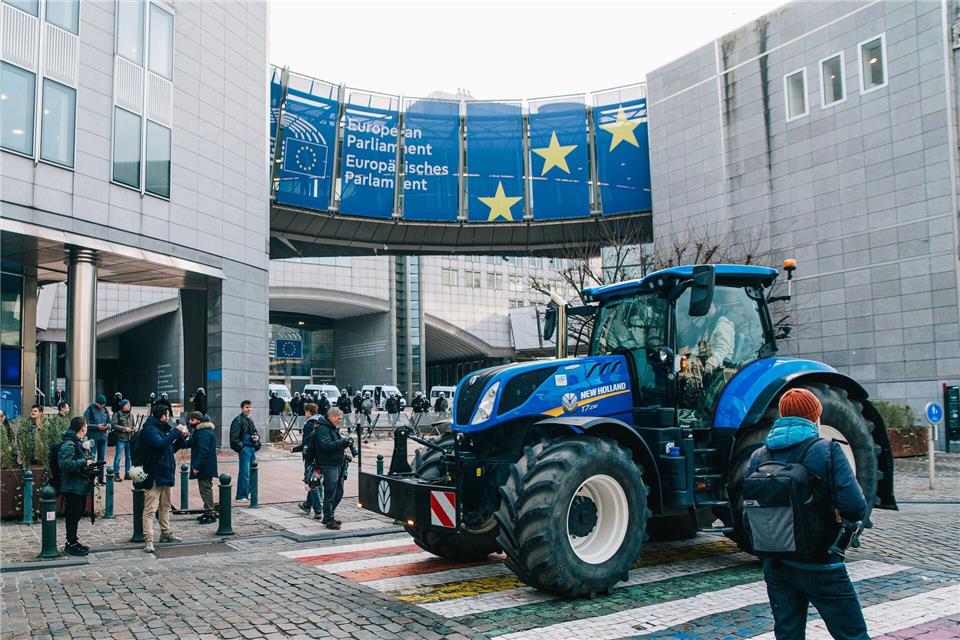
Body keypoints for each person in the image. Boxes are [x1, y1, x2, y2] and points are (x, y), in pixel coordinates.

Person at [745, 388, 868, 640]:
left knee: (788, 635)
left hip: (777, 563)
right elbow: (855, 506)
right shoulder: (827, 450)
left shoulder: (758, 456)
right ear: (815, 417)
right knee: (852, 634)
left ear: (782, 416)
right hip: (821, 562)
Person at [141, 404, 190, 553]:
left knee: (165, 506)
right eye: (167, 414)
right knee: (150, 508)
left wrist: (181, 439)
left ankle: (165, 532)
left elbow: (170, 448)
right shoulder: (150, 430)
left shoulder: (162, 430)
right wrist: (176, 431)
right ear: (162, 416)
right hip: (155, 474)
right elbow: (160, 444)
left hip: (166, 472)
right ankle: (148, 539)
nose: (168, 417)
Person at [308, 407, 352, 529]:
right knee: (330, 493)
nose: (339, 421)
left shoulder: (332, 428)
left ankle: (328, 516)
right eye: (338, 418)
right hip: (328, 465)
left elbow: (335, 444)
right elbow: (325, 446)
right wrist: (343, 443)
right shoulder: (323, 429)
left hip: (337, 464)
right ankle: (329, 519)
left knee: (339, 492)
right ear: (331, 417)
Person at [58, 416, 95, 556]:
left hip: (78, 484)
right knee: (73, 514)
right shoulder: (69, 444)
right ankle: (70, 543)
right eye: (85, 425)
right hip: (72, 486)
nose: (86, 428)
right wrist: (83, 462)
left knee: (77, 513)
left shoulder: (77, 442)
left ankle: (73, 541)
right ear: (82, 428)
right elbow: (65, 465)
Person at [294, 403, 323, 519]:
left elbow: (306, 444)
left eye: (305, 411)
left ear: (308, 412)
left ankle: (318, 510)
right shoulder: (321, 421)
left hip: (311, 458)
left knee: (312, 483)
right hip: (320, 457)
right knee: (314, 481)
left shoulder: (308, 425)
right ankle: (307, 505)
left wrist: (299, 451)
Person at [189, 413, 218, 524]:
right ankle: (208, 511)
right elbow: (191, 443)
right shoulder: (201, 431)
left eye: (192, 420)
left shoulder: (203, 432)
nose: (190, 422)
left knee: (205, 489)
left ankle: (210, 513)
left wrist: (197, 466)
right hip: (205, 466)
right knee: (205, 489)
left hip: (205, 467)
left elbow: (203, 451)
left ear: (198, 420)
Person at [229, 400, 260, 502]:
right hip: (245, 449)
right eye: (247, 407)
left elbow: (255, 432)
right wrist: (241, 448)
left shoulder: (249, 420)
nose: (249, 409)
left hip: (250, 448)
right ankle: (241, 495)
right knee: (245, 473)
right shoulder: (238, 420)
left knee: (251, 472)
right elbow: (234, 438)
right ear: (242, 408)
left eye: (250, 407)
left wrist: (256, 438)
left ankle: (247, 493)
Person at [82, 394, 110, 484]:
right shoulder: (90, 410)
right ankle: (91, 479)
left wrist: (107, 426)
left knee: (101, 459)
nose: (102, 406)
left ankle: (101, 479)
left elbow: (109, 422)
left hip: (103, 437)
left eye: (103, 405)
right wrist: (97, 426)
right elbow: (85, 424)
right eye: (100, 405)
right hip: (93, 438)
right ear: (96, 403)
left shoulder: (105, 410)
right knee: (92, 457)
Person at [111, 399, 135, 481]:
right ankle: (116, 473)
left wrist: (133, 429)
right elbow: (113, 425)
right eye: (127, 405)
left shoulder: (131, 415)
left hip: (129, 439)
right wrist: (124, 429)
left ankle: (127, 473)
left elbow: (133, 424)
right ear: (122, 406)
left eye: (129, 405)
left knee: (129, 457)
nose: (129, 406)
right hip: (121, 439)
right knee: (118, 457)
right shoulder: (117, 414)